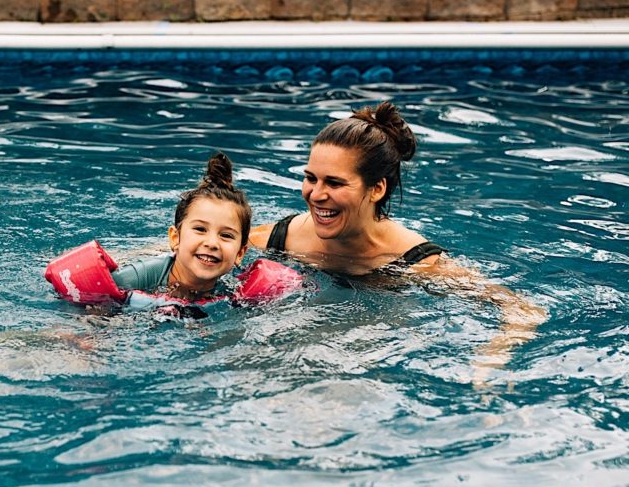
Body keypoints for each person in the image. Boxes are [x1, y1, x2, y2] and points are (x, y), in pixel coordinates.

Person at [249, 101, 545, 377]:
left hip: (370, 355)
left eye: (335, 183)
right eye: (311, 178)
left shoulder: (414, 261)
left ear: (376, 189)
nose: (316, 194)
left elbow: (523, 310)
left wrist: (490, 357)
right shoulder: (274, 240)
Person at [112, 151, 250, 302]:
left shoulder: (239, 289)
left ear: (240, 254)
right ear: (175, 237)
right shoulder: (132, 279)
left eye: (226, 235)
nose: (212, 243)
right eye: (200, 229)